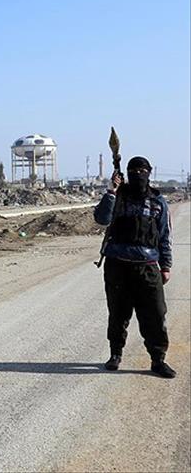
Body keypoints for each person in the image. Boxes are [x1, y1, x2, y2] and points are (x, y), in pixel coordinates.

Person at [94, 156, 175, 378]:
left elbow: (165, 236)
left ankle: (158, 360)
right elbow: (101, 219)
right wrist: (111, 191)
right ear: (127, 174)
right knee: (118, 313)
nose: (138, 174)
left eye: (142, 170)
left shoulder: (158, 202)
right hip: (117, 266)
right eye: (133, 171)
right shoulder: (118, 197)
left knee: (155, 314)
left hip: (147, 267)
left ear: (149, 173)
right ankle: (115, 354)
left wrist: (166, 266)